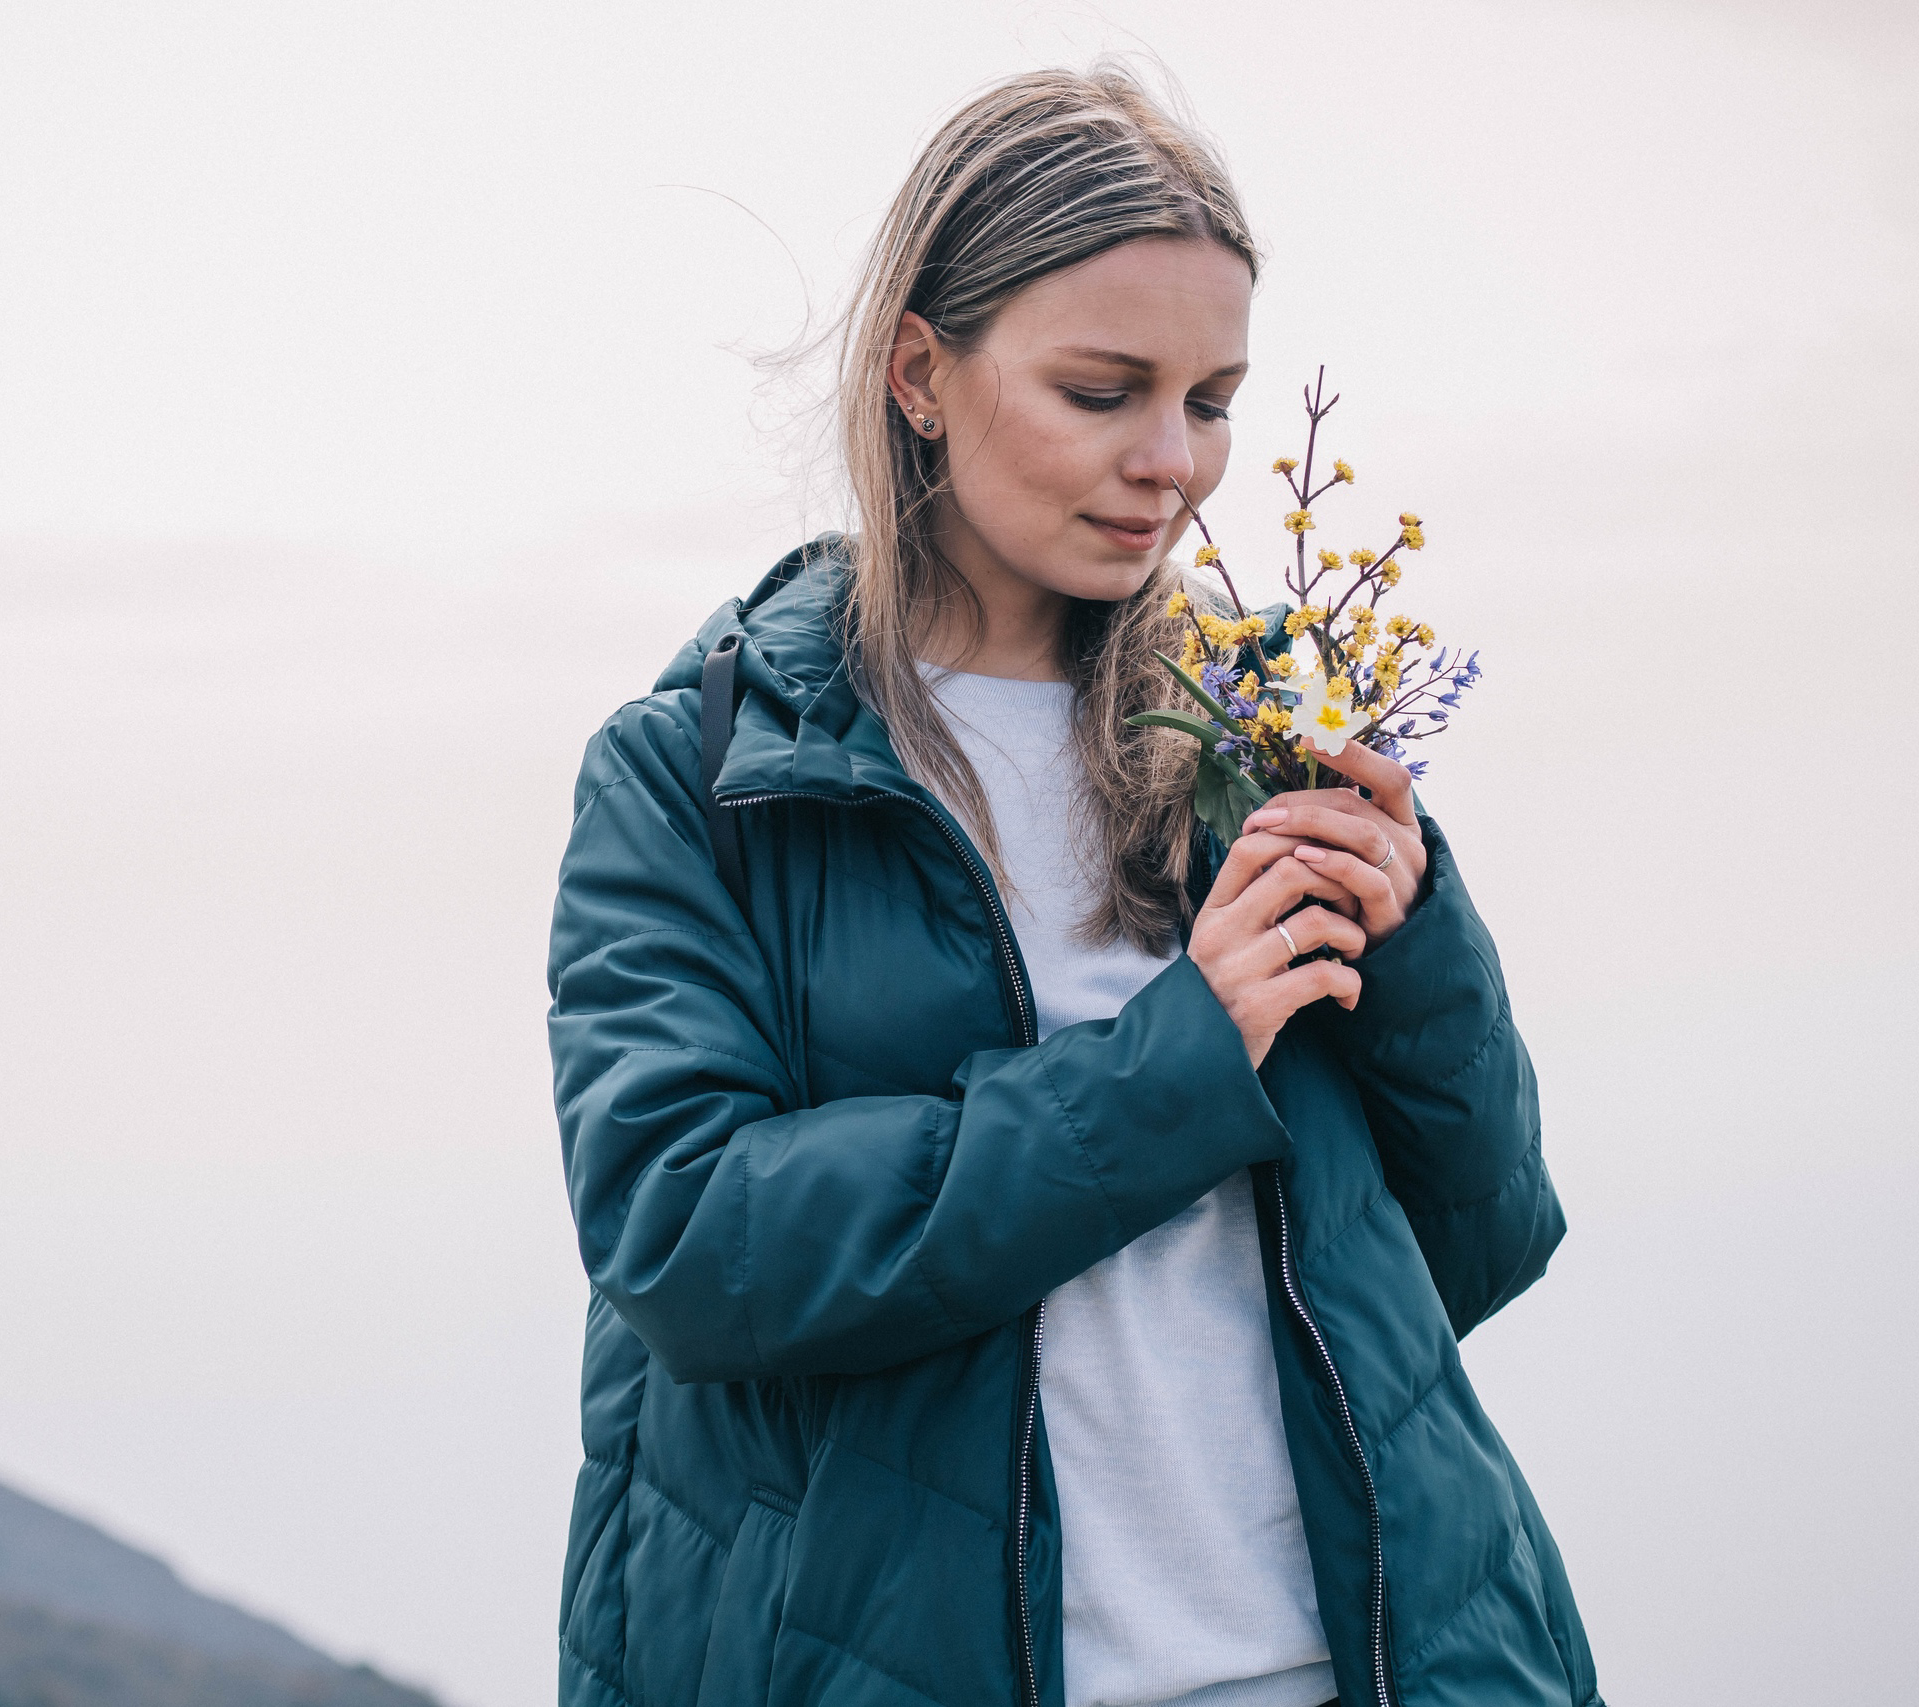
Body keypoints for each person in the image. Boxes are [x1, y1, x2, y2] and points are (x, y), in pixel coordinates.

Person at [544, 67, 1601, 1707]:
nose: (1174, 463)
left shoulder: (1261, 730)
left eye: (1213, 397)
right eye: (1104, 390)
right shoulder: (699, 779)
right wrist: (1182, 1059)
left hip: (1370, 1665)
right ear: (920, 374)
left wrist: (1414, 936)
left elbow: (1480, 1236)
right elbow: (690, 1245)